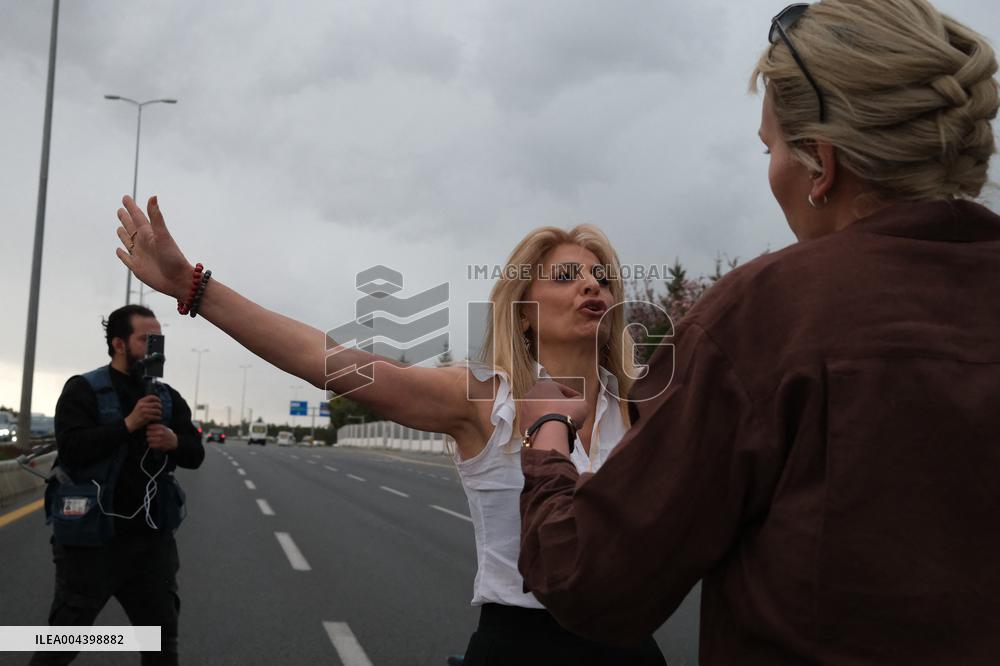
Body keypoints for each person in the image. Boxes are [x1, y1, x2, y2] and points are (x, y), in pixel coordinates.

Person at [515, 1, 1000, 664]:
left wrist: (547, 439)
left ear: (822, 165)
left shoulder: (771, 314)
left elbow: (589, 579)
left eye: (770, 147)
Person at [113, 199, 665, 663]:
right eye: (567, 276)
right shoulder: (480, 400)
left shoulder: (647, 407)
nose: (590, 285)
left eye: (601, 277)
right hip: (522, 644)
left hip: (630, 645)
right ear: (522, 311)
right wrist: (194, 288)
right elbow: (323, 359)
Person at [32, 305, 204, 666]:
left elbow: (195, 453)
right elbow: (72, 448)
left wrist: (174, 442)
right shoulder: (84, 389)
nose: (156, 348)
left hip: (151, 543)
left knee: (161, 646)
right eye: (146, 339)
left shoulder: (168, 398)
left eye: (159, 339)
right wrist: (128, 424)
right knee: (60, 645)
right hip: (91, 545)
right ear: (119, 344)